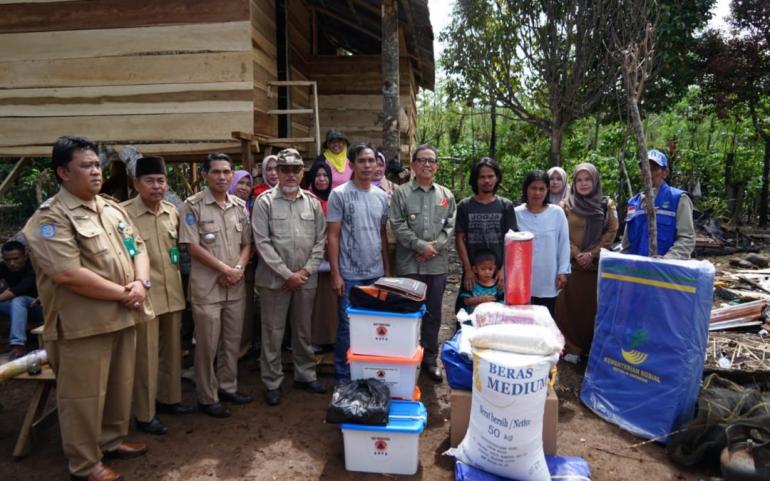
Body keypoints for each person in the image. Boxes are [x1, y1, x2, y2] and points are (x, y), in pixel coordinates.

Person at [23, 135, 152, 481]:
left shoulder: (111, 208)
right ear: (63, 172)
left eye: (97, 164)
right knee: (82, 397)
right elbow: (68, 274)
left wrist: (140, 283)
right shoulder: (49, 218)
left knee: (118, 387)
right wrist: (125, 294)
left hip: (122, 315)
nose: (96, 171)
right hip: (83, 325)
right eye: (86, 165)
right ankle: (84, 463)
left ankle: (111, 441)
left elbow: (137, 246)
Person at [121, 156, 194, 436]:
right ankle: (144, 413)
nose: (157, 186)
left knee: (172, 352)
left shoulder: (171, 212)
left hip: (172, 292)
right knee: (146, 356)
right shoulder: (124, 214)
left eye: (161, 181)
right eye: (150, 181)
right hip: (145, 296)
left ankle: (170, 399)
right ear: (137, 184)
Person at [179, 153, 253, 418]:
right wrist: (224, 269)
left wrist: (239, 269)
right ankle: (207, 396)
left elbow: (247, 244)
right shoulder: (193, 206)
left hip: (234, 285)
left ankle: (228, 387)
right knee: (207, 344)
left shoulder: (239, 206)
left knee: (231, 341)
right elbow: (191, 245)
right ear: (205, 175)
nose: (222, 177)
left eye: (226, 172)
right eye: (216, 172)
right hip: (207, 287)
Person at [252, 148, 327, 406]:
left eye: (296, 169)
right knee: (272, 333)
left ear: (302, 171)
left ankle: (305, 375)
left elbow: (321, 241)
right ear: (277, 172)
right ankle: (272, 381)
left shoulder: (312, 202)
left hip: (305, 279)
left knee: (303, 331)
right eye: (285, 169)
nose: (291, 174)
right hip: (275, 280)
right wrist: (287, 274)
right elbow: (262, 243)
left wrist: (304, 271)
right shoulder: (264, 202)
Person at [389, 144, 456, 382]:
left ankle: (429, 358)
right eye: (422, 160)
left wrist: (432, 248)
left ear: (437, 165)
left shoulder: (446, 195)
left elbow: (449, 226)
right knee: (408, 311)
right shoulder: (401, 193)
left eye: (431, 160)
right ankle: (406, 357)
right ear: (414, 164)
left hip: (436, 266)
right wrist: (420, 246)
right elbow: (397, 224)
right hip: (409, 264)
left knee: (433, 313)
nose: (427, 164)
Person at [327, 143, 390, 384]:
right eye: (361, 161)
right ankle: (342, 378)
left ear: (376, 164)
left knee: (374, 325)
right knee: (347, 326)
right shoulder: (340, 194)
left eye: (371, 161)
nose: (367, 166)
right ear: (352, 165)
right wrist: (336, 274)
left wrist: (387, 270)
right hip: (349, 273)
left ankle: (369, 372)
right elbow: (332, 235)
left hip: (375, 273)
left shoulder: (381, 197)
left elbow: (382, 234)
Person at [555, 163, 619, 362]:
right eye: (579, 180)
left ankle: (590, 348)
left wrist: (592, 254)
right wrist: (577, 254)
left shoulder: (606, 205)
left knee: (593, 309)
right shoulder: (565, 206)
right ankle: (571, 347)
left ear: (595, 181)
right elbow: (562, 233)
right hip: (572, 266)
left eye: (588, 179)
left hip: (595, 267)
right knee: (568, 308)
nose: (583, 184)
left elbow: (611, 231)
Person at [455, 157, 517, 311]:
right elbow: (460, 239)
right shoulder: (465, 205)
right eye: (482, 177)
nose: (487, 180)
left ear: (497, 178)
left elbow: (512, 241)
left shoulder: (506, 206)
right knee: (466, 311)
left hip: (497, 272)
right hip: (474, 271)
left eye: (490, 176)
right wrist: (468, 269)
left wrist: (503, 269)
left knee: (497, 311)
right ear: (475, 180)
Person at [514, 170, 570, 317]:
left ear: (547, 191)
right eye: (533, 188)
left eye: (541, 189)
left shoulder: (557, 213)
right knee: (522, 318)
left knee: (546, 318)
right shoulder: (516, 213)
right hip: (521, 277)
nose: (537, 193)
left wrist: (563, 271)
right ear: (526, 189)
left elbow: (563, 243)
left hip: (548, 276)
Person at [622, 149, 695, 259]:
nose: (647, 173)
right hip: (636, 270)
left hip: (666, 271)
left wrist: (667, 259)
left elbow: (687, 238)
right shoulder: (634, 203)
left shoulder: (678, 199)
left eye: (653, 169)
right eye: (644, 168)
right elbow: (626, 244)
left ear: (665, 173)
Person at [227, 170, 259, 359]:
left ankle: (240, 352)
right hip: (221, 270)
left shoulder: (253, 206)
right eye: (241, 183)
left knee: (244, 314)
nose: (244, 188)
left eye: (248, 184)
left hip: (246, 269)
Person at [0, 241, 40, 360]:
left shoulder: (33, 266)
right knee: (16, 302)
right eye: (7, 260)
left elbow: (17, 290)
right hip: (16, 308)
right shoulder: (3, 266)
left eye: (16, 259)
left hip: (38, 308)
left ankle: (18, 345)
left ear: (25, 255)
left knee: (18, 300)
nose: (11, 263)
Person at [457, 249, 504, 313]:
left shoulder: (498, 285)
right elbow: (465, 301)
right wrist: (480, 300)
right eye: (483, 269)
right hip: (472, 320)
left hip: (493, 319)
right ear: (475, 269)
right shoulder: (471, 284)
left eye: (490, 269)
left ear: (495, 269)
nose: (487, 272)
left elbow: (503, 302)